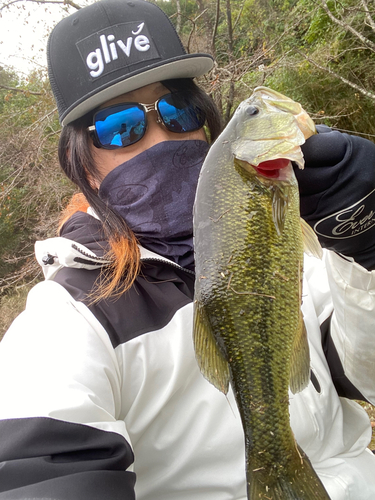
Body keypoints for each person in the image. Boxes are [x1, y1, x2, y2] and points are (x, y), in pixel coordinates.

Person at [0, 0, 375, 499]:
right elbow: (41, 472)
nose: (160, 137)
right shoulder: (67, 321)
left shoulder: (285, 242)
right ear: (83, 164)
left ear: (205, 122)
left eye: (179, 110)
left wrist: (364, 245)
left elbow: (363, 376)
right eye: (120, 126)